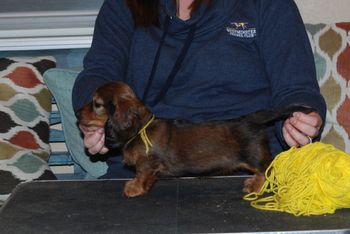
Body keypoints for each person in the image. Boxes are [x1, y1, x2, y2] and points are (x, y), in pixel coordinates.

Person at [72, 0, 326, 178]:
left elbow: (297, 87)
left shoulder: (268, 5)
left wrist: (299, 120)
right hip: (144, 173)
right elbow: (98, 73)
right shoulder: (123, 6)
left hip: (246, 172)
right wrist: (97, 119)